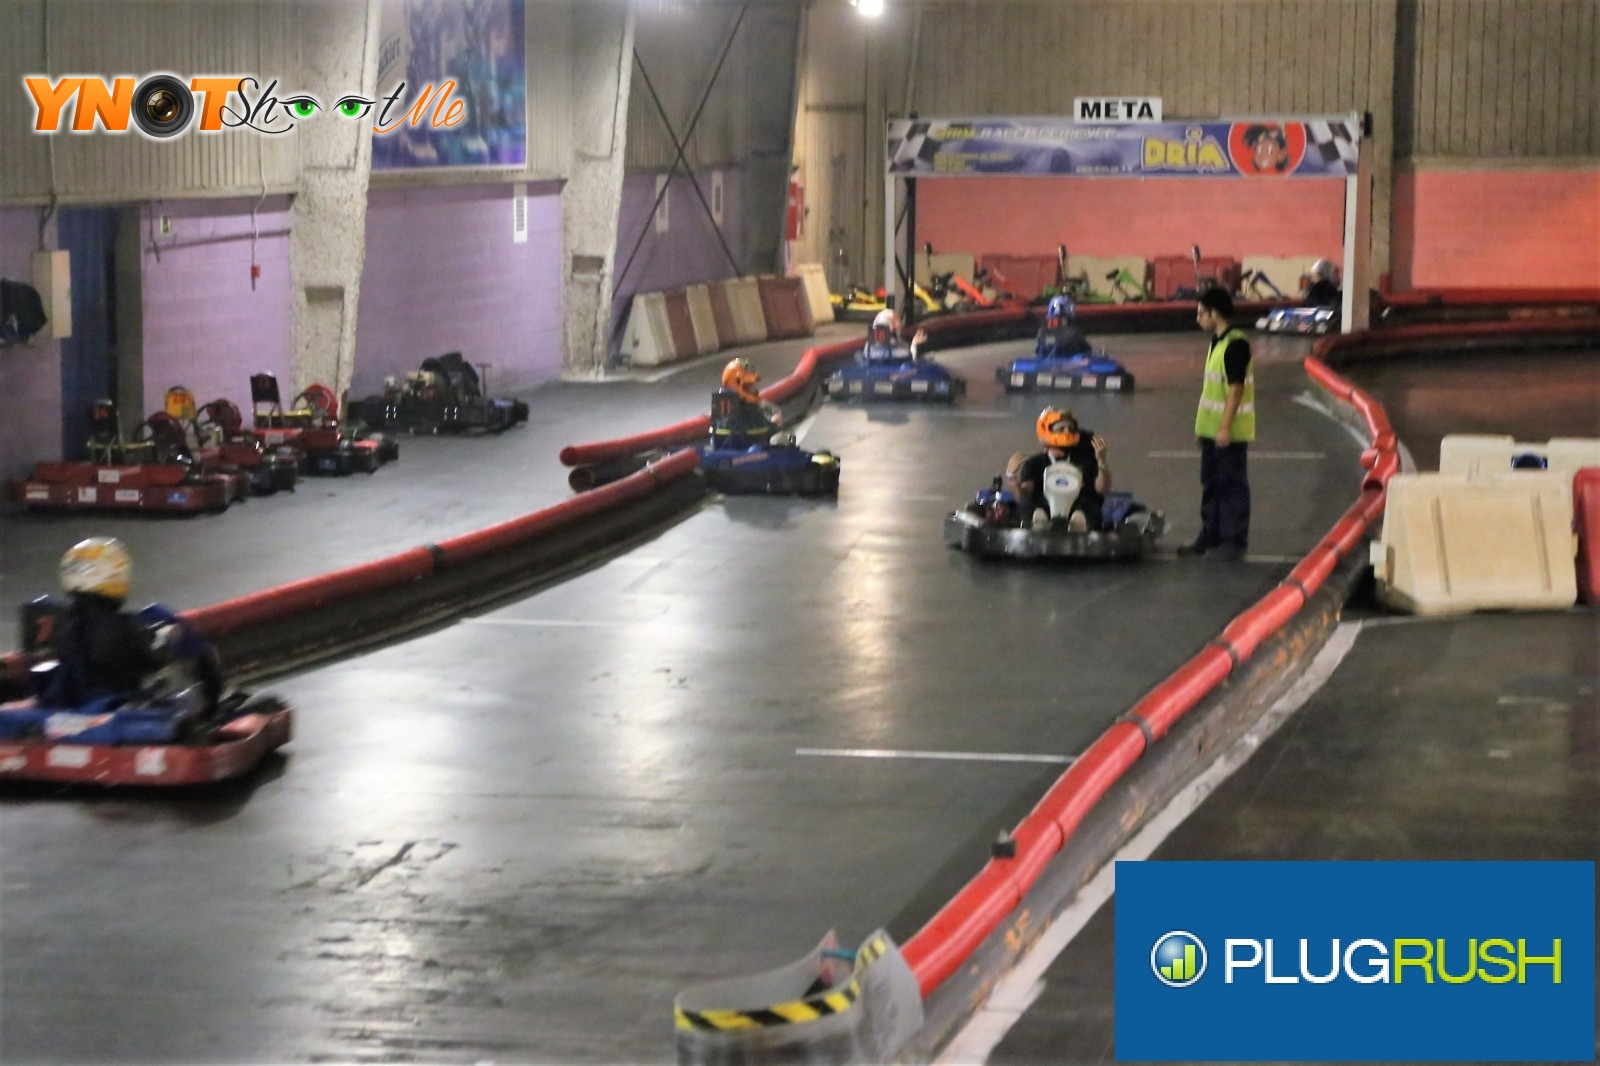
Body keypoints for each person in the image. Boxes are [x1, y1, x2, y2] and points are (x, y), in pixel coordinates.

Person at [40, 537, 170, 706]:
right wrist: (166, 637)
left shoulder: (57, 623)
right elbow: (154, 659)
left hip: (65, 706)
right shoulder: (123, 626)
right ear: (114, 575)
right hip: (114, 707)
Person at [1184, 288, 1254, 560]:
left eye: (1202, 312)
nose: (1198, 318)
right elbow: (1213, 392)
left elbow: (1236, 389)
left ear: (1215, 313)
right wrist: (1204, 431)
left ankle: (1233, 540)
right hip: (1212, 431)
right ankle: (1209, 535)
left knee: (1231, 485)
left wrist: (1224, 427)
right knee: (1211, 484)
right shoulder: (1217, 342)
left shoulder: (1235, 344)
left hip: (1230, 433)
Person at [1011, 406, 1110, 533]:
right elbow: (1023, 496)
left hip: (1078, 509)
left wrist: (1101, 462)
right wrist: (1011, 477)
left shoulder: (1086, 460)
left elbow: (1102, 489)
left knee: (1088, 505)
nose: (1067, 431)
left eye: (1070, 428)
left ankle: (1078, 524)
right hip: (1045, 510)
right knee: (1034, 508)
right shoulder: (1035, 463)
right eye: (1061, 428)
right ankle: (1039, 524)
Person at [709, 357, 780, 450]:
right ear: (737, 384)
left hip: (724, 450)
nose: (754, 389)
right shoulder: (749, 408)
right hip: (749, 450)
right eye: (749, 385)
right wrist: (775, 423)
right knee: (787, 438)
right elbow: (762, 431)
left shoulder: (719, 405)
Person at [1035, 295, 1092, 359]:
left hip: (1046, 364)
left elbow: (1039, 354)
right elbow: (1087, 352)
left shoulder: (1042, 332)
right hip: (1066, 364)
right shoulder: (1073, 334)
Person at [862, 308, 929, 363]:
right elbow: (910, 360)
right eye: (896, 328)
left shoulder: (868, 349)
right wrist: (914, 345)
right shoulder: (899, 351)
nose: (898, 329)